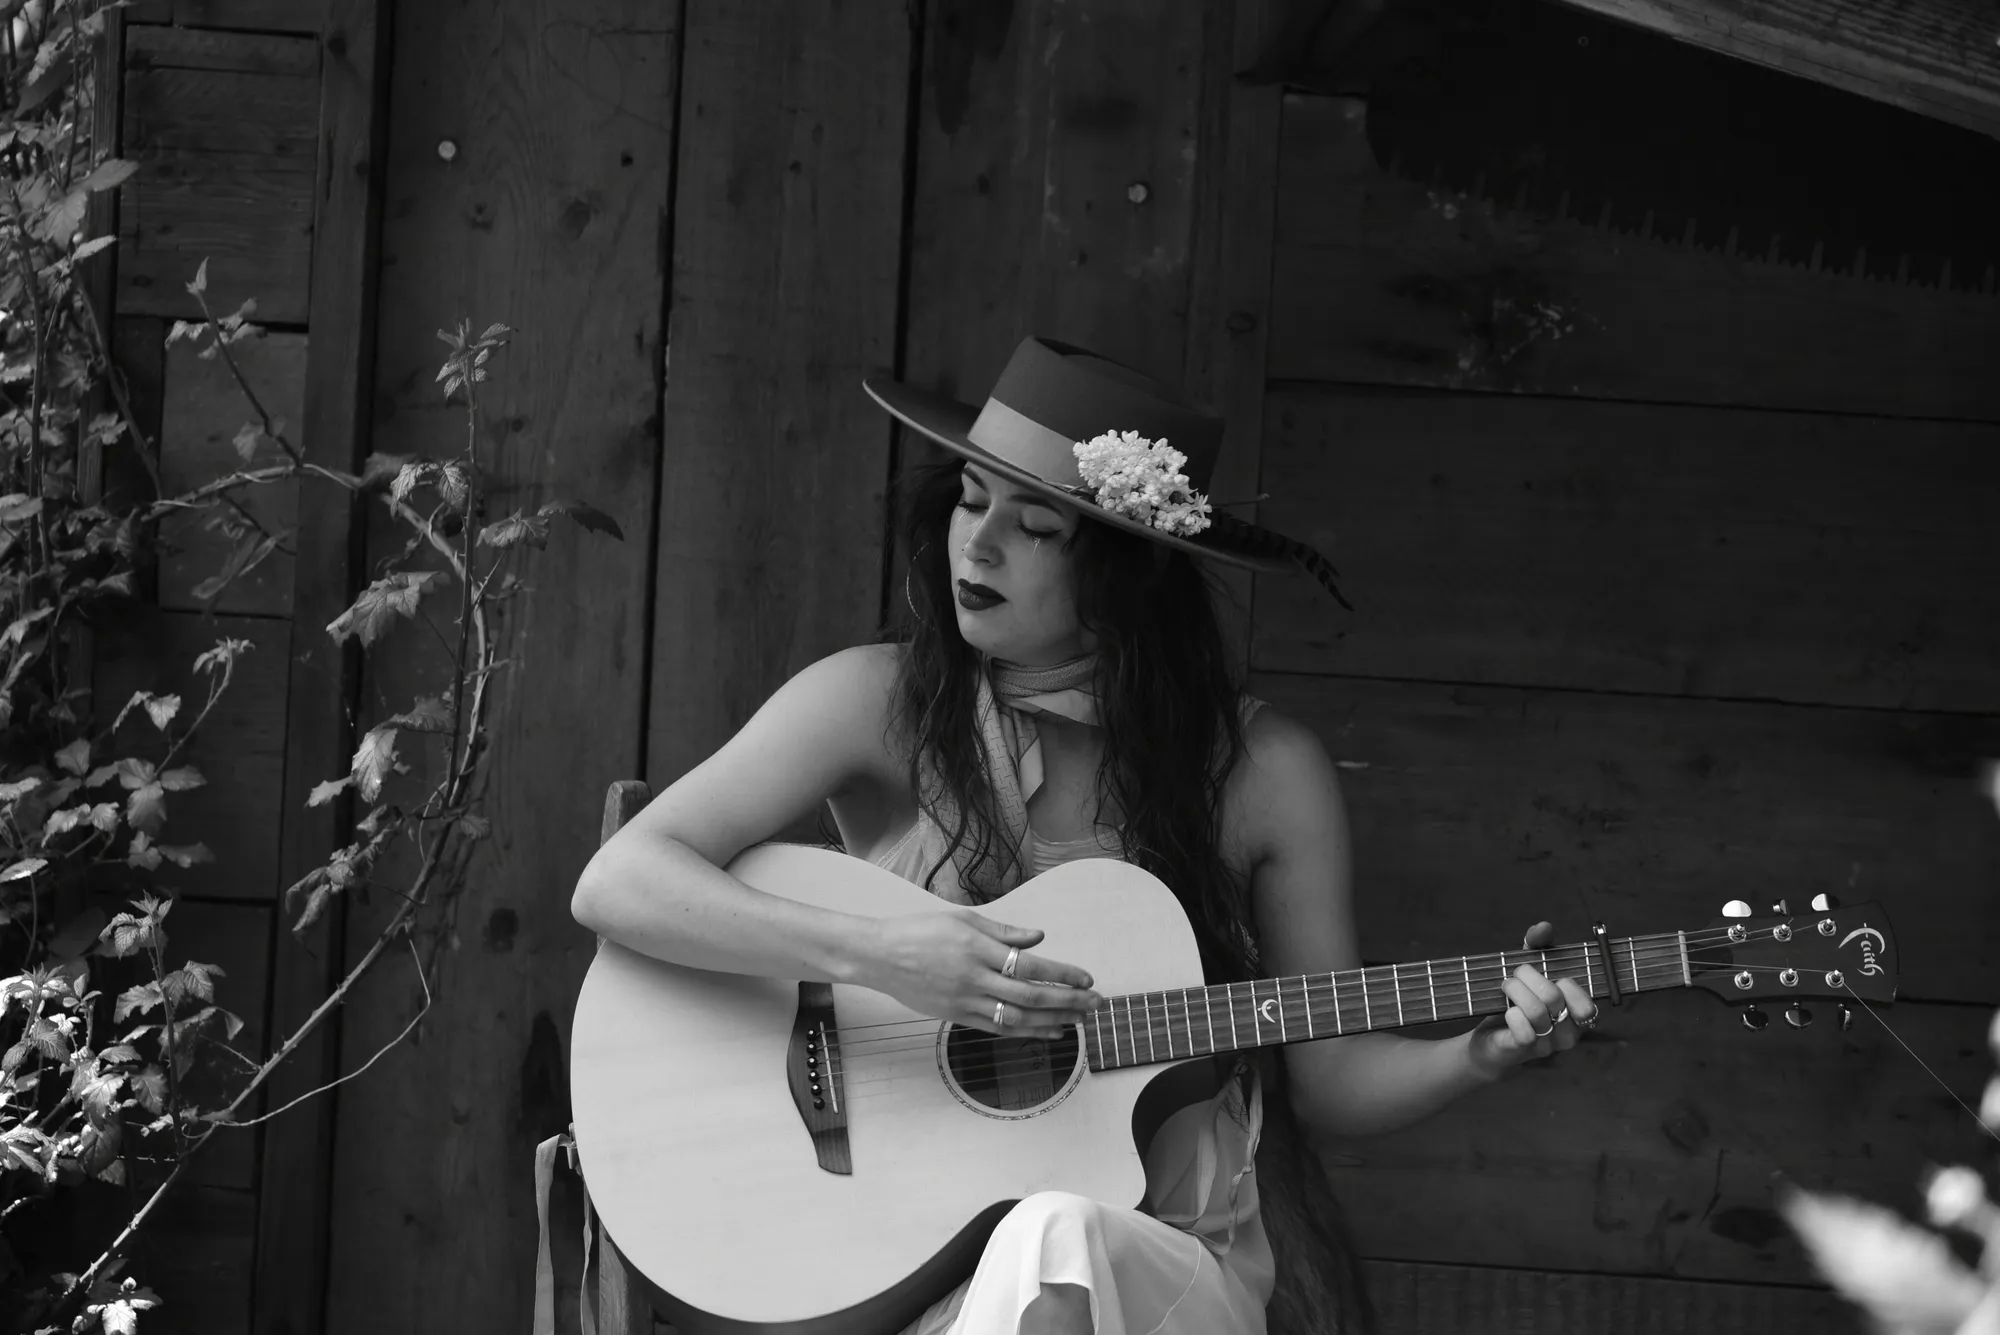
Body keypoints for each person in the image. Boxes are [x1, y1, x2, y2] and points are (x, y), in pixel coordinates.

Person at [571, 337, 1600, 1335]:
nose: (976, 545)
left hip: (1158, 1266)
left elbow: (1328, 1082)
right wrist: (888, 957)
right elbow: (619, 882)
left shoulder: (1261, 775)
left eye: (1033, 527)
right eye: (969, 501)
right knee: (1038, 1242)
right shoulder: (872, 701)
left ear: (1124, 569)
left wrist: (1481, 1050)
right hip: (889, 1255)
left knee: (1054, 1235)